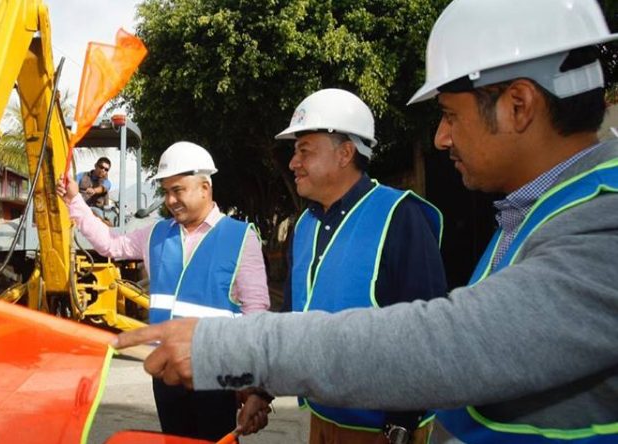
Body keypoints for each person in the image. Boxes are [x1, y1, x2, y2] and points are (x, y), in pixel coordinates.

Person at [114, 0, 618, 443]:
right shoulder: (533, 212)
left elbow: (447, 342)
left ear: (519, 105)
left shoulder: (602, 220)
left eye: (449, 115)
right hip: (325, 414)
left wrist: (224, 349)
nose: (441, 138)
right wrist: (261, 386)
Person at [57, 141, 271, 440]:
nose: (170, 200)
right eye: (166, 191)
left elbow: (256, 314)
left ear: (205, 188)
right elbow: (110, 244)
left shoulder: (240, 237)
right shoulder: (156, 234)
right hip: (167, 375)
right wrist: (74, 201)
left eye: (178, 190)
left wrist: (255, 385)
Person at [272, 88, 447, 444]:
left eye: (305, 151)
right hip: (322, 416)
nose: (293, 163)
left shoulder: (399, 216)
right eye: (295, 152)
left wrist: (401, 425)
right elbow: (292, 314)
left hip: (382, 429)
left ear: (345, 153)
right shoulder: (305, 225)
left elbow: (427, 331)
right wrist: (263, 389)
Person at [76, 156, 113, 221]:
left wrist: (94, 190)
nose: (103, 170)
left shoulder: (107, 182)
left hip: (96, 210)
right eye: (101, 167)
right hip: (79, 208)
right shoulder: (81, 176)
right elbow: (73, 185)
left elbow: (103, 188)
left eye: (106, 169)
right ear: (95, 165)